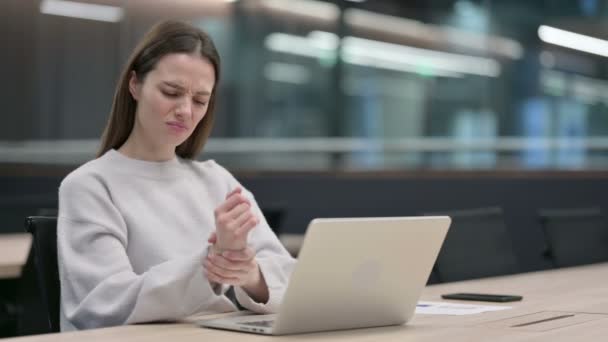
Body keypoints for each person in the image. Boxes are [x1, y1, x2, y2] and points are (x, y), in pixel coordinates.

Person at [57, 20, 295, 331]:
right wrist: (210, 266)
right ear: (135, 85)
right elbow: (102, 303)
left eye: (200, 100)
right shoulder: (91, 185)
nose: (186, 110)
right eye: (172, 92)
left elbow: (288, 277)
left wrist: (250, 274)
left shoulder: (216, 180)